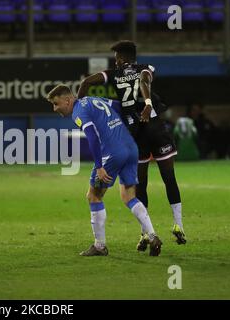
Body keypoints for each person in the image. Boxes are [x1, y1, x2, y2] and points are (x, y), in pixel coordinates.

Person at [77, 40, 186, 248]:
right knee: (169, 177)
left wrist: (80, 105)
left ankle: (145, 234)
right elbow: (145, 82)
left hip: (136, 133)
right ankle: (178, 225)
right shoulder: (146, 68)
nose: (116, 61)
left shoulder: (113, 74)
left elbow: (87, 82)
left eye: (117, 57)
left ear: (123, 58)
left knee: (139, 184)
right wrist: (147, 104)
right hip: (155, 128)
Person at [47, 84, 163, 256]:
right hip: (131, 148)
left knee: (93, 196)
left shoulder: (78, 112)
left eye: (56, 104)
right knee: (128, 196)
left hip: (112, 152)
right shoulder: (94, 100)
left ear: (68, 100)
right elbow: (119, 106)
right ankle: (152, 236)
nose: (55, 108)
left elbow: (92, 137)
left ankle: (100, 246)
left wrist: (100, 166)